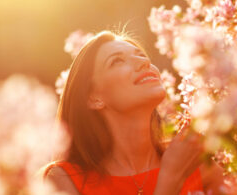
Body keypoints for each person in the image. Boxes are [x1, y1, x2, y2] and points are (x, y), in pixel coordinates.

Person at [44, 30, 224, 195]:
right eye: (117, 61)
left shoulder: (197, 164)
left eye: (141, 55)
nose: (145, 62)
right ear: (94, 98)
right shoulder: (62, 181)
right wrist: (170, 179)